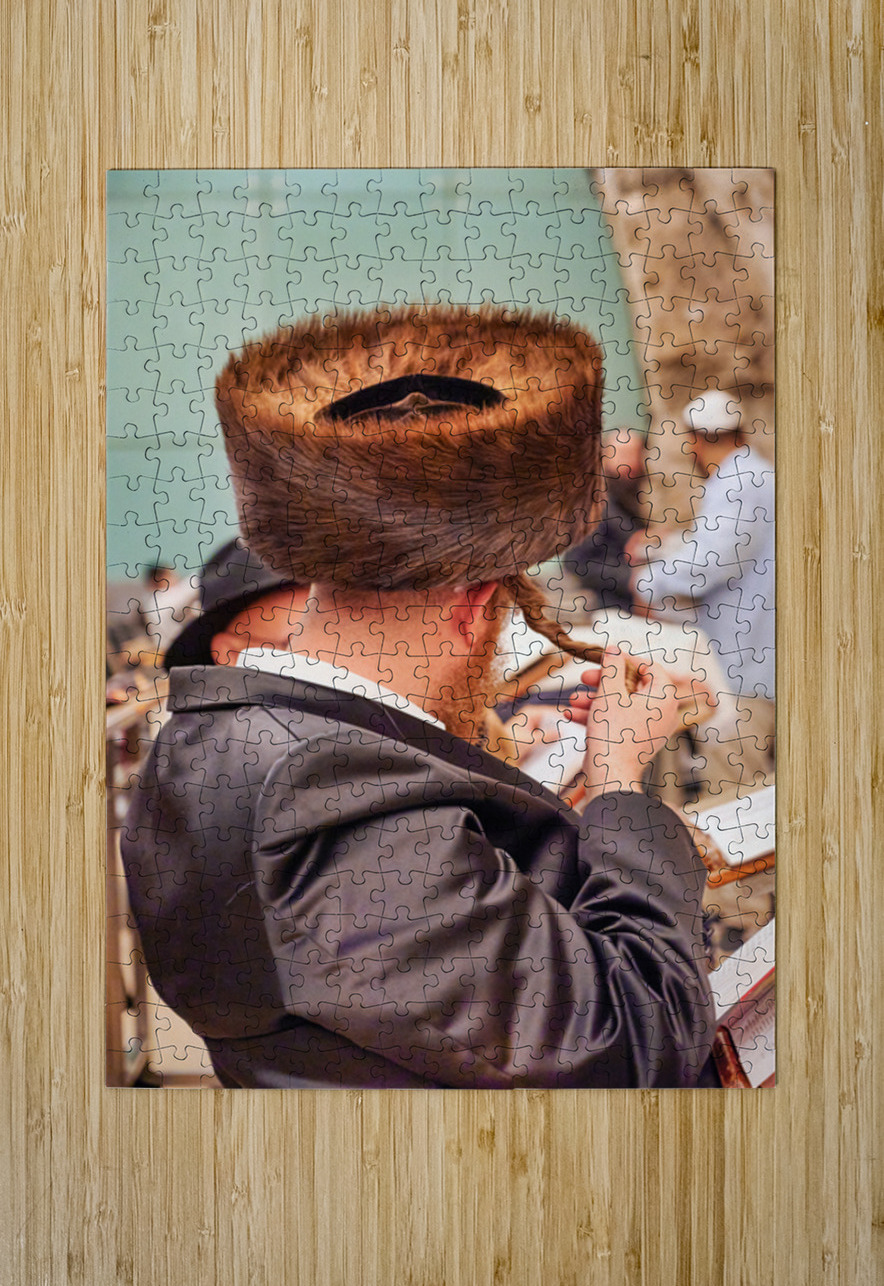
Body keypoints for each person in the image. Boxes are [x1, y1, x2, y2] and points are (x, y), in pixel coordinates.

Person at [121, 306, 717, 1089]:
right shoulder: (328, 800)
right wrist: (617, 786)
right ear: (476, 606)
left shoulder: (207, 735)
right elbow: (640, 1046)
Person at [627, 390, 775, 798]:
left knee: (736, 792)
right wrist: (668, 545)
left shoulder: (739, 481)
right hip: (750, 659)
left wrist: (646, 581)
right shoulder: (753, 473)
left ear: (696, 440)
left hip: (744, 666)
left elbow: (712, 563)